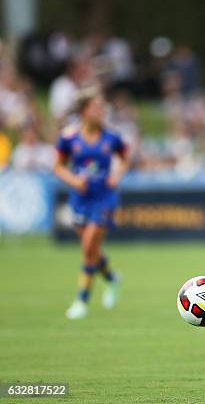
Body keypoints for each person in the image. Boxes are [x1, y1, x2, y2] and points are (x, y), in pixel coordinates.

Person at [54, 90, 129, 320]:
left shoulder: (112, 137)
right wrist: (74, 181)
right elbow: (58, 167)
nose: (100, 111)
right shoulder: (69, 138)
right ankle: (111, 278)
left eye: (102, 107)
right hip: (81, 199)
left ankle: (81, 301)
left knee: (88, 247)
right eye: (96, 107)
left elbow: (125, 157)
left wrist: (116, 176)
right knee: (93, 249)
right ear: (84, 111)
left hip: (105, 198)